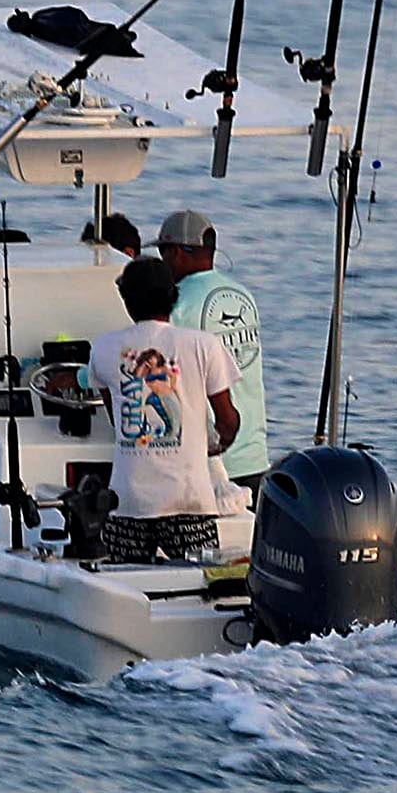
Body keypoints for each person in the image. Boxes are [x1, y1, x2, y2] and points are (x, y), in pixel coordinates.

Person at [84, 257, 239, 563]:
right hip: (189, 503)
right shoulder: (204, 345)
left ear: (126, 300)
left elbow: (118, 419)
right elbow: (228, 419)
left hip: (127, 503)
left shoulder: (103, 348)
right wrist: (215, 444)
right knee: (198, 585)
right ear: (173, 296)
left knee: (127, 587)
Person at [155, 208, 269, 492]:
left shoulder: (174, 304)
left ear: (179, 253)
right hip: (254, 455)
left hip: (208, 460)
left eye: (163, 253)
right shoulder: (244, 295)